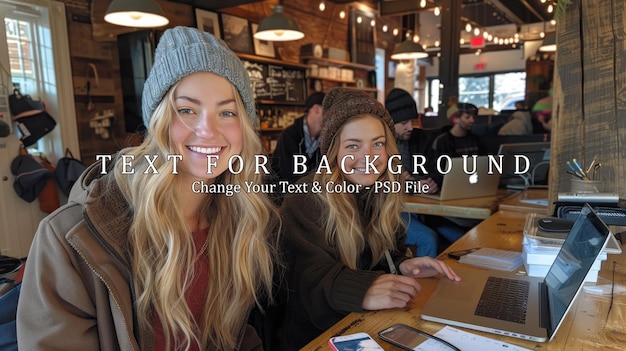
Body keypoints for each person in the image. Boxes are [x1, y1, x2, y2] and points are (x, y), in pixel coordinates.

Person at [17, 27, 280, 351]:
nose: (207, 130)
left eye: (227, 112)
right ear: (158, 121)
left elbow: (234, 337)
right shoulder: (69, 237)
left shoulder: (239, 221)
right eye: (186, 110)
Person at [276, 88, 461, 349]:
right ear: (333, 151)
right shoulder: (305, 198)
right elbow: (306, 282)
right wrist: (364, 288)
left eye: (378, 143)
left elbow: (381, 256)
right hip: (314, 338)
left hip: (370, 326)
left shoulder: (380, 192)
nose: (369, 157)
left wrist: (402, 265)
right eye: (353, 145)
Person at [385, 88, 441, 257]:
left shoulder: (421, 138)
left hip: (424, 210)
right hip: (391, 212)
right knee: (428, 239)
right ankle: (423, 283)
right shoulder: (379, 143)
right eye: (403, 123)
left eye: (412, 121)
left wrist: (433, 181)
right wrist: (414, 184)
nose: (410, 127)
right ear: (389, 123)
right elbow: (385, 182)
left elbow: (438, 168)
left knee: (463, 234)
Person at [424, 102, 482, 245]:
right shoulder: (442, 142)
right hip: (449, 208)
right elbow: (436, 174)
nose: (472, 120)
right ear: (456, 119)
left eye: (473, 117)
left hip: (473, 197)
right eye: (467, 117)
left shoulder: (475, 140)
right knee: (470, 239)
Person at [271, 92, 325, 185]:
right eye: (328, 111)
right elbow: (288, 175)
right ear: (316, 109)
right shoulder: (289, 136)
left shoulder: (324, 139)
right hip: (286, 196)